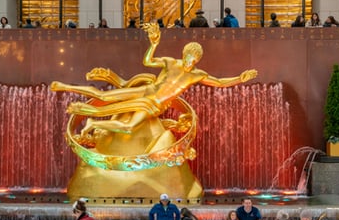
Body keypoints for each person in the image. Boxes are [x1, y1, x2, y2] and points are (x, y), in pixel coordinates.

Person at [51, 22, 256, 137]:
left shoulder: (196, 75)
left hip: (155, 105)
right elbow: (148, 61)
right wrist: (154, 43)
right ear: (184, 54)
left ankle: (94, 124)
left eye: (195, 58)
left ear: (198, 60)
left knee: (129, 128)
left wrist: (240, 78)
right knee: (104, 97)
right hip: (146, 91)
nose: (191, 60)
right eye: (189, 56)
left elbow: (219, 83)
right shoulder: (170, 62)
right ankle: (64, 86)